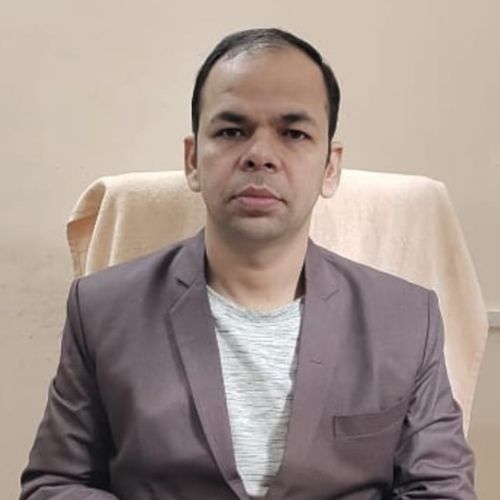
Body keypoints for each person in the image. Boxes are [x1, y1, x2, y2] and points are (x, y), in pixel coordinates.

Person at [20, 28, 476, 499]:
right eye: (232, 131)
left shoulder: (406, 318)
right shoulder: (101, 309)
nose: (260, 155)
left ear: (330, 167)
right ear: (193, 160)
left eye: (293, 133)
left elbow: (441, 489)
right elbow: (55, 485)